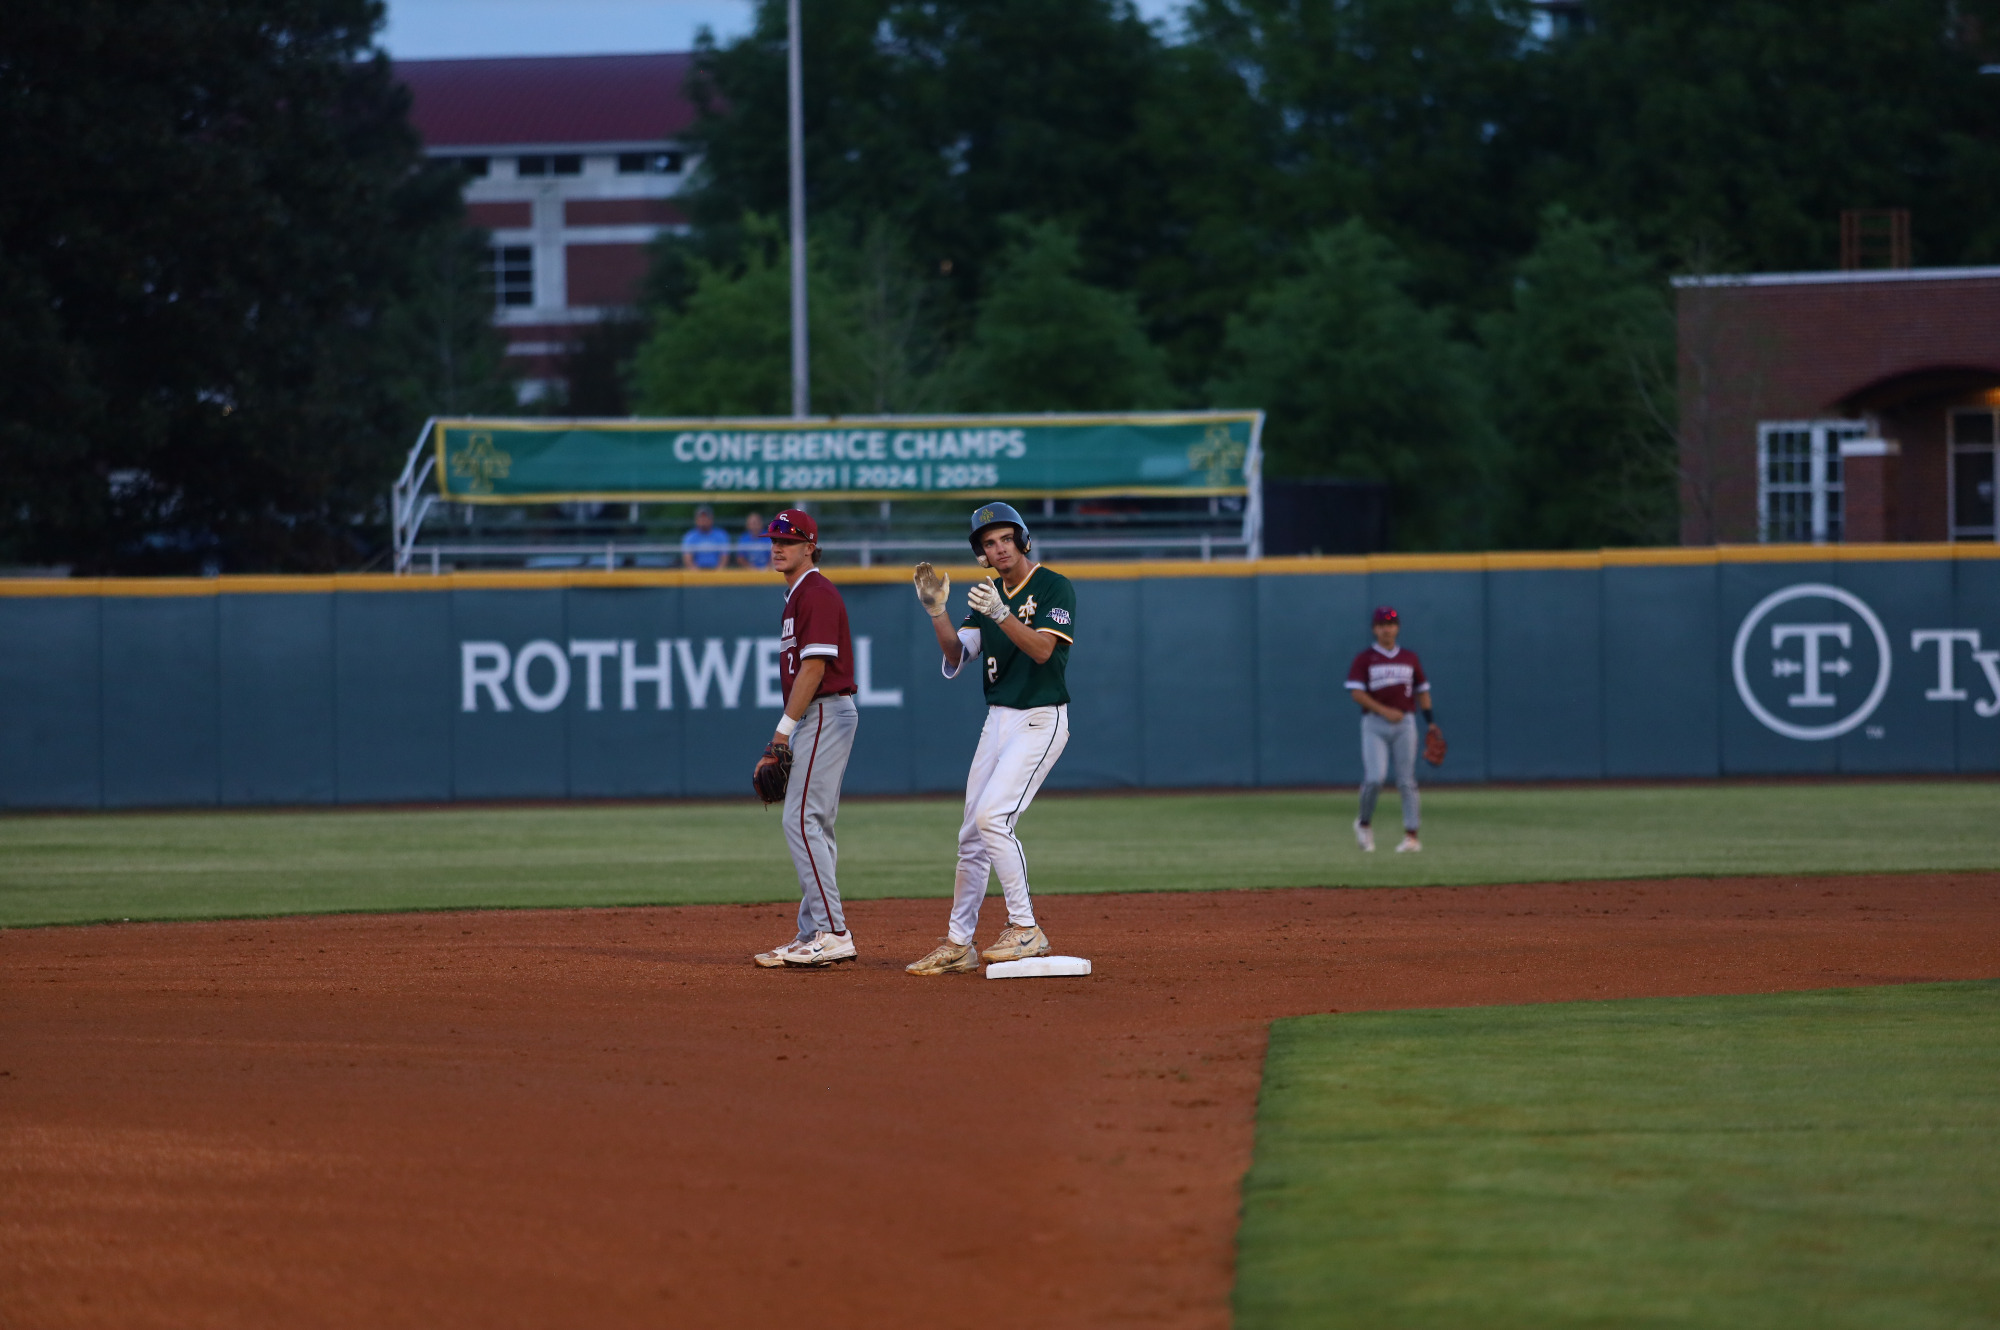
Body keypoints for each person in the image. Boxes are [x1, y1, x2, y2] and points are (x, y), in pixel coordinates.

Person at [905, 502, 1076, 976]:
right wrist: (937, 612)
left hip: (1040, 719)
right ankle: (959, 943)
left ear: (1021, 538)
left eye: (1004, 538)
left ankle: (1025, 928)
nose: (997, 548)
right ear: (980, 553)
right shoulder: (988, 593)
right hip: (997, 720)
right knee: (970, 837)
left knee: (992, 817)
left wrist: (1001, 614)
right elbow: (959, 654)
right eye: (988, 543)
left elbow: (1044, 650)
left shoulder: (1052, 585)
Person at [752, 510, 862, 968]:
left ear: (810, 546)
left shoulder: (814, 592)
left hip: (825, 711)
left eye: (789, 540)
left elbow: (815, 669)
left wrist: (781, 734)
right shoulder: (799, 594)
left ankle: (834, 933)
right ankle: (812, 932)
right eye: (774, 539)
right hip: (823, 714)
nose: (778, 546)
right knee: (814, 823)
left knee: (800, 820)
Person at [1344, 606, 1441, 853]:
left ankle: (1412, 836)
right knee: (1375, 778)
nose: (1387, 629)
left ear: (1397, 628)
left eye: (1391, 624)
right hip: (1374, 723)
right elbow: (1356, 692)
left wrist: (1430, 721)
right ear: (1374, 629)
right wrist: (1384, 710)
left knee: (1407, 780)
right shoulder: (1365, 658)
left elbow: (1423, 691)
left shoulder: (1409, 658)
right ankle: (1364, 824)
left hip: (1405, 723)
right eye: (1382, 624)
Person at [680, 504, 733, 570]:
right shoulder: (690, 536)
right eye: (700, 518)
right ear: (696, 520)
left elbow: (725, 556)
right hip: (697, 571)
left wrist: (718, 572)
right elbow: (687, 558)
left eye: (706, 518)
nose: (703, 521)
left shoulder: (721, 535)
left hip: (716, 570)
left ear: (711, 519)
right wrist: (696, 573)